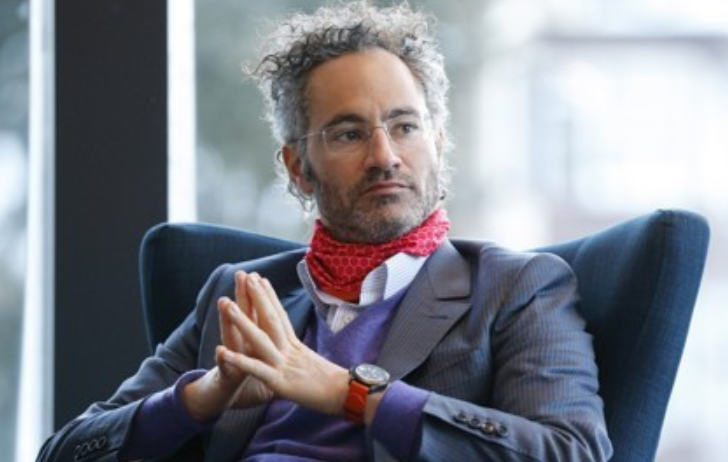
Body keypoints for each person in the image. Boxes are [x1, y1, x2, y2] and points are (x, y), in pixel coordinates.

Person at [37, 1, 612, 461]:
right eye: (348, 134)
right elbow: (65, 451)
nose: (385, 156)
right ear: (297, 168)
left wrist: (349, 393)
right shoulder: (237, 295)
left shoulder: (515, 287)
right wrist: (199, 398)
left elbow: (571, 451)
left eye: (405, 126)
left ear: (438, 143)